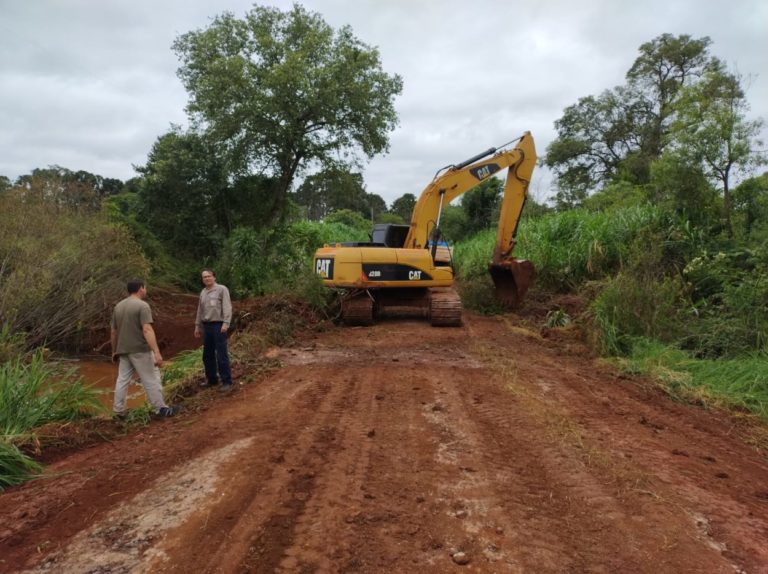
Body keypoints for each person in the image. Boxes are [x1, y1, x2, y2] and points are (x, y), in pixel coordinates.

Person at [111, 279, 179, 418]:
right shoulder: (142, 306)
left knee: (122, 380)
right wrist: (157, 352)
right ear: (141, 289)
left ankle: (118, 411)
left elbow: (113, 331)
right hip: (140, 349)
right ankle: (161, 409)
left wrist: (114, 351)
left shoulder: (118, 306)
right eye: (145, 287)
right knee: (150, 378)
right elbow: (147, 329)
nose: (145, 290)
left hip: (123, 350)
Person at [194, 268, 233, 392]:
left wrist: (226, 323)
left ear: (214, 277)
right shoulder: (203, 292)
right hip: (207, 327)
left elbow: (227, 307)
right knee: (207, 355)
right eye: (204, 277)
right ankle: (212, 379)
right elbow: (200, 310)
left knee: (221, 354)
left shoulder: (221, 289)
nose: (206, 278)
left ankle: (227, 381)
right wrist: (197, 326)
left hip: (219, 325)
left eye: (208, 276)